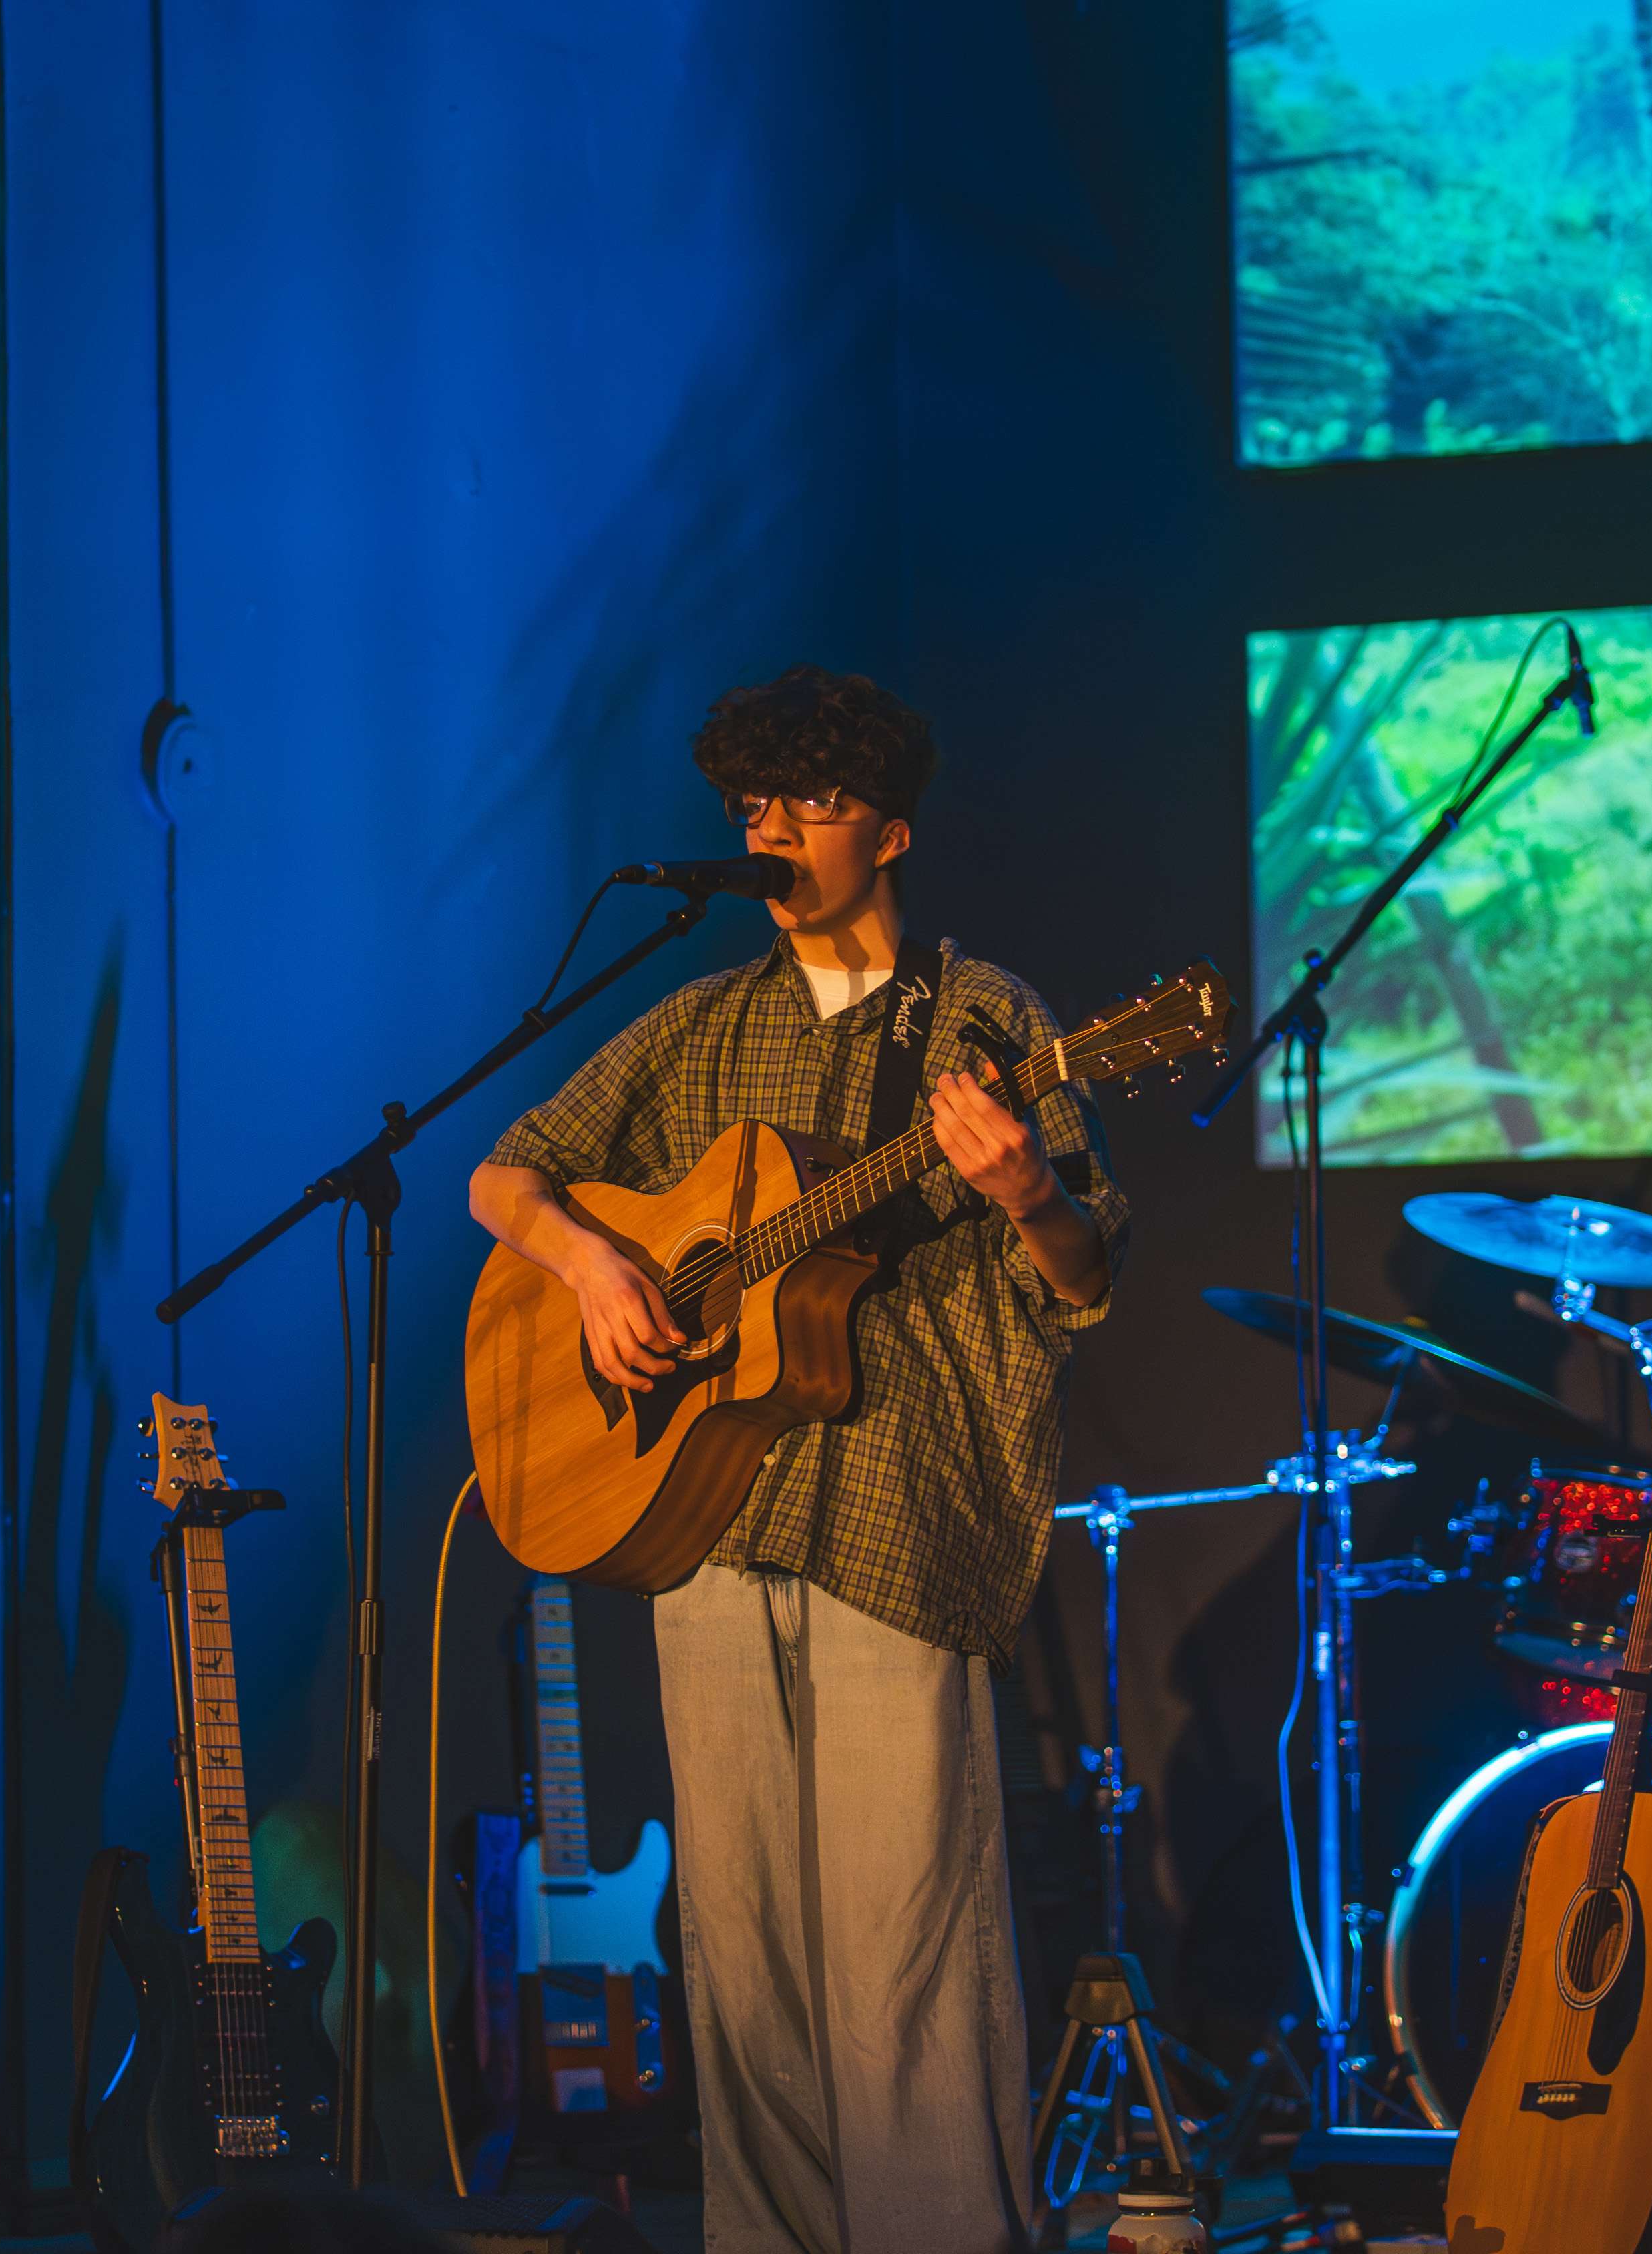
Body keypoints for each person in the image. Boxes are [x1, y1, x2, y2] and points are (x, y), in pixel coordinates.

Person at [468, 666, 1127, 2254]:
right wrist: (595, 1266)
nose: (774, 830)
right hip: (710, 1513)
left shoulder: (983, 1018)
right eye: (755, 804)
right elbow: (503, 1178)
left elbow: (1085, 1274)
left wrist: (1029, 1190)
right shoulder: (700, 1022)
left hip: (900, 1509)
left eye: (813, 802)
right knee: (742, 1951)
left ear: (889, 829)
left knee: (904, 1946)